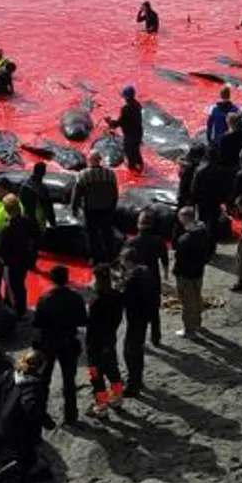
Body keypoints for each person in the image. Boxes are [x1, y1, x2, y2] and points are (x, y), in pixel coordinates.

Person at [0, 349, 54, 483]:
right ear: (41, 366)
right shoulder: (34, 384)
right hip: (20, 430)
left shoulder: (9, 374)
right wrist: (48, 423)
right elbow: (31, 407)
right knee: (27, 460)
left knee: (8, 455)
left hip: (3, 423)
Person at [31, 265, 86, 424]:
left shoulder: (45, 298)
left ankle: (41, 413)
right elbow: (82, 321)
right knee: (69, 380)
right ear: (67, 278)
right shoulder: (76, 298)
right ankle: (71, 416)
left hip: (48, 343)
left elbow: (37, 323)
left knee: (43, 381)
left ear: (51, 279)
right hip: (68, 341)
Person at [85, 266, 125, 414]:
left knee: (96, 376)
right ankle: (118, 397)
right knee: (113, 371)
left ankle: (101, 404)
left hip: (96, 343)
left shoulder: (96, 302)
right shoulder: (117, 296)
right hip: (110, 339)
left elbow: (91, 324)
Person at [118, 252, 159, 397]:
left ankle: (133, 384)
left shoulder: (133, 279)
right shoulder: (146, 271)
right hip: (146, 314)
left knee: (130, 351)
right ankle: (137, 379)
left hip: (136, 317)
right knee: (137, 348)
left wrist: (121, 288)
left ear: (128, 262)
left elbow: (125, 299)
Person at [172, 206, 213, 339]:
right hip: (199, 271)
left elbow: (180, 260)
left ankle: (189, 330)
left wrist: (176, 272)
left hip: (186, 275)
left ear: (185, 218)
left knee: (187, 302)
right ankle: (198, 323)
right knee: (197, 298)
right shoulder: (203, 232)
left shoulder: (185, 239)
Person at [74, 152, 120, 265]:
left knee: (92, 235)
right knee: (107, 232)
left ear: (89, 160)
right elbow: (115, 193)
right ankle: (111, 256)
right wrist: (113, 206)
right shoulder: (110, 174)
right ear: (100, 160)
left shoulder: (83, 175)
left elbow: (76, 194)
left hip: (90, 209)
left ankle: (95, 258)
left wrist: (74, 208)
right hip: (107, 208)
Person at [0, 194, 36, 316]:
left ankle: (16, 311)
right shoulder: (27, 222)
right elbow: (35, 237)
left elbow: (0, 250)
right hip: (24, 260)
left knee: (12, 286)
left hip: (11, 263)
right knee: (20, 285)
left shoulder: (7, 229)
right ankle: (20, 308)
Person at [106, 86, 145, 171]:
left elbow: (120, 122)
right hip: (138, 133)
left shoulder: (126, 108)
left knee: (129, 153)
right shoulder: (137, 104)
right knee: (136, 150)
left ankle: (133, 170)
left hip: (130, 135)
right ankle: (140, 165)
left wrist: (110, 122)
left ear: (126, 97)